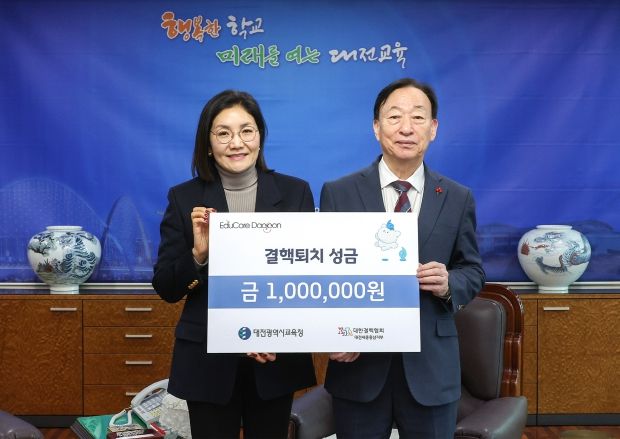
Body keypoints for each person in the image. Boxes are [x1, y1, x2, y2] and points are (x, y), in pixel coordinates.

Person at [320, 78, 485, 438]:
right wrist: (333, 332)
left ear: (433, 128)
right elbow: (323, 275)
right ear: (376, 127)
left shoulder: (457, 197)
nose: (406, 128)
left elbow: (472, 270)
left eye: (418, 117)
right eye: (394, 117)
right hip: (358, 367)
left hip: (431, 369)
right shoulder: (339, 193)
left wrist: (449, 283)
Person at [152, 90, 316, 439]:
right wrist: (198, 255)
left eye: (246, 131)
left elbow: (307, 278)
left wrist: (271, 332)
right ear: (208, 144)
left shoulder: (296, 193)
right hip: (207, 362)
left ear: (260, 137)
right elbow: (166, 287)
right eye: (223, 133)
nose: (236, 142)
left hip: (274, 358)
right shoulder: (184, 198)